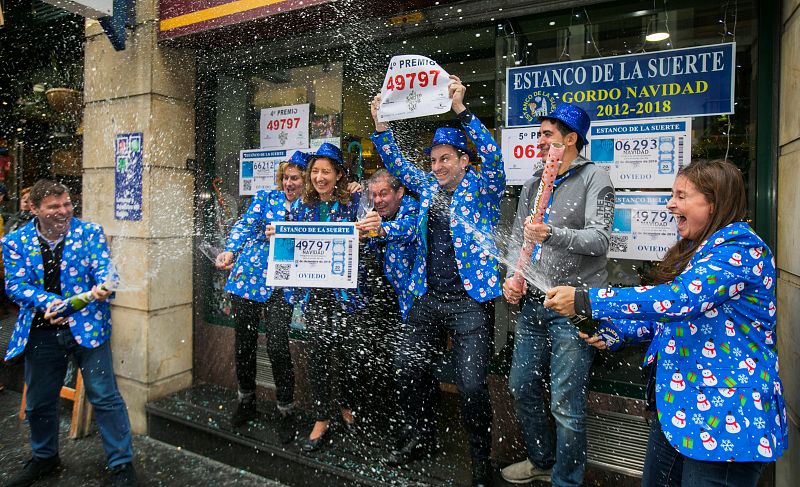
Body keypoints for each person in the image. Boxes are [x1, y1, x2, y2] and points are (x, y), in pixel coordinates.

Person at [544, 159, 787, 487]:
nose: (670, 204)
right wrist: (619, 331)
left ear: (713, 204)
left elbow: (681, 300)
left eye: (682, 196)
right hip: (679, 413)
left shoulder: (742, 250)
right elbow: (677, 320)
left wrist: (588, 300)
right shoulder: (700, 251)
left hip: (726, 422)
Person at [370, 75, 505, 487]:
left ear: (464, 160)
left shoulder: (485, 188)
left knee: (471, 386)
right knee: (408, 369)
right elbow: (396, 165)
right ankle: (419, 438)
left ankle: (480, 459)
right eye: (433, 159)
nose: (437, 166)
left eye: (445, 158)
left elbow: (495, 156)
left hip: (469, 303)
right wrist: (380, 127)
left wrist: (461, 109)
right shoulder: (427, 187)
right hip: (427, 298)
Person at [500, 103, 614, 487]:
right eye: (539, 134)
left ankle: (567, 480)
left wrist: (552, 233)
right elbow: (518, 238)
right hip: (533, 305)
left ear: (570, 140)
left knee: (566, 404)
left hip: (573, 309)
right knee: (521, 386)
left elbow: (600, 239)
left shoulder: (596, 178)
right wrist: (512, 278)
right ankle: (542, 460)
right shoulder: (533, 185)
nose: (540, 141)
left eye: (547, 135)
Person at [2, 179, 137, 487]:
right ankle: (44, 458)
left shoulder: (88, 232)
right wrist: (50, 303)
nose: (63, 211)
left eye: (67, 204)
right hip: (41, 334)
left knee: (105, 397)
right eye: (54, 206)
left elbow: (105, 267)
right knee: (39, 401)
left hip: (89, 330)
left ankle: (121, 464)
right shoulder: (15, 241)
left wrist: (105, 284)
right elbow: (16, 286)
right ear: (35, 209)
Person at [271, 143, 368, 452]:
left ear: (339, 174)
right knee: (317, 355)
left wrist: (364, 234)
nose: (319, 177)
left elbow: (368, 237)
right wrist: (279, 237)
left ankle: (348, 407)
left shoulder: (355, 200)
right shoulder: (301, 206)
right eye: (315, 171)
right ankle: (322, 416)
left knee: (349, 354)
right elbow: (290, 246)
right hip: (314, 293)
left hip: (347, 295)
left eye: (326, 171)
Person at [214, 150, 309, 443]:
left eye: (295, 178)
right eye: (285, 177)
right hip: (250, 278)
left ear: (306, 180)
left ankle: (286, 410)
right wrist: (231, 248)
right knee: (244, 344)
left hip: (284, 283)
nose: (289, 183)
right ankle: (246, 401)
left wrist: (285, 233)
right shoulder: (267, 198)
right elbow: (244, 224)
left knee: (278, 345)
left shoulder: (312, 207)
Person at [354, 169, 419, 430]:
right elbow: (370, 246)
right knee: (378, 358)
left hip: (412, 304)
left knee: (408, 367)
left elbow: (408, 230)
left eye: (384, 194)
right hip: (382, 298)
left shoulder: (412, 209)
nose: (378, 200)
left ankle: (411, 426)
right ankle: (383, 417)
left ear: (399, 193)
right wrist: (361, 238)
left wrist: (380, 230)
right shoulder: (373, 215)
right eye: (373, 195)